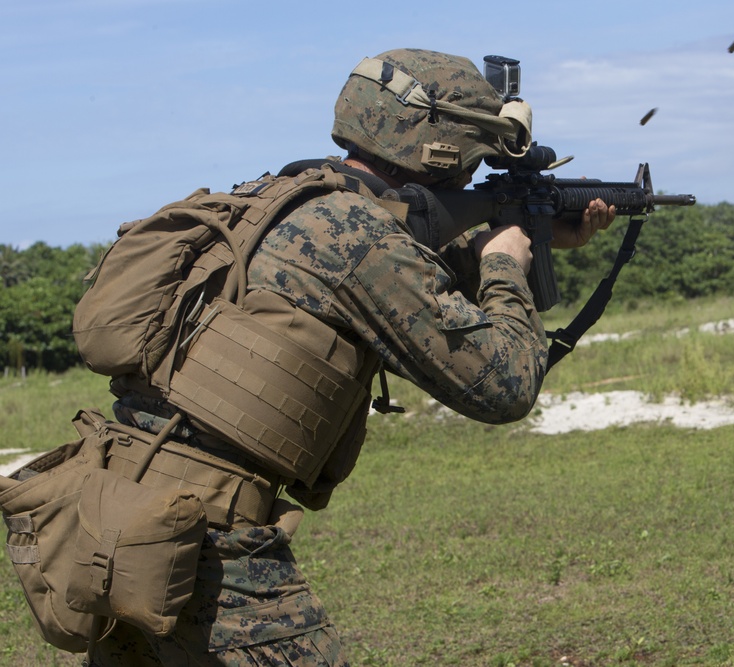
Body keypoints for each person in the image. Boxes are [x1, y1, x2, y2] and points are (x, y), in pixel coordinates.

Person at [89, 48, 614, 665]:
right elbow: (505, 384)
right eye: (473, 155)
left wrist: (512, 241)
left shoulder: (290, 196)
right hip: (206, 542)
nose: (473, 174)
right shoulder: (364, 237)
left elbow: (381, 293)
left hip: (111, 512)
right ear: (439, 143)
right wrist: (504, 263)